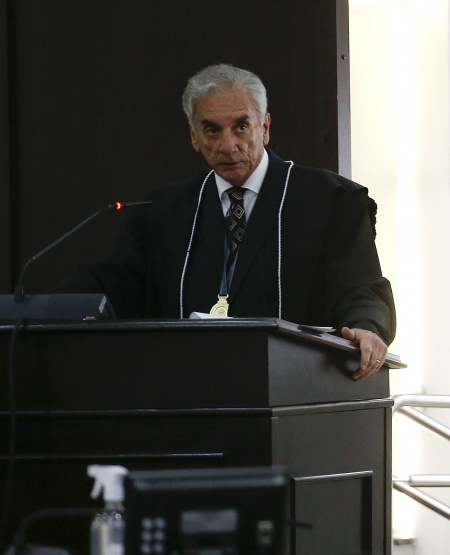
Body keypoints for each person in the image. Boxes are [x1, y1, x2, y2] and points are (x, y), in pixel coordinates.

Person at [58, 64, 395, 380]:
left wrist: (366, 327)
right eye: (211, 130)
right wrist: (38, 308)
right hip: (187, 386)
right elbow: (114, 284)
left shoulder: (329, 199)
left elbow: (361, 286)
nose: (228, 145)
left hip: (293, 388)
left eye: (241, 126)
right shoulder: (163, 211)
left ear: (264, 128)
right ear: (194, 136)